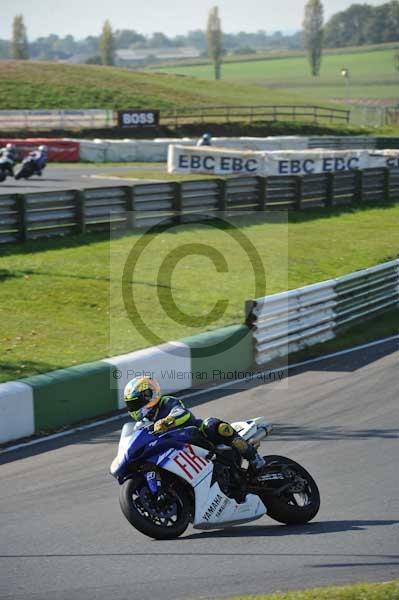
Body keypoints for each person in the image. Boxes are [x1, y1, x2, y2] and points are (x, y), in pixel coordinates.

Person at [123, 376, 266, 471]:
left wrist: (166, 422)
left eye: (137, 403)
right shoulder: (141, 424)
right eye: (131, 405)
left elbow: (181, 413)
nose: (135, 408)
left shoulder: (166, 402)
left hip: (196, 436)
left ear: (148, 396)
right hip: (174, 451)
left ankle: (253, 457)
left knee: (213, 425)